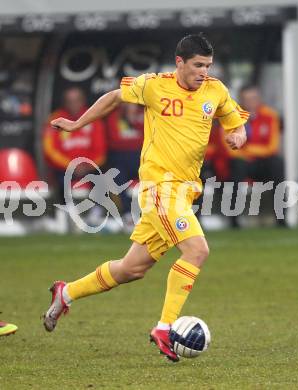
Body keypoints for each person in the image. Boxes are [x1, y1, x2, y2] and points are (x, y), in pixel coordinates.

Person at [43, 33, 248, 362]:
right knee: (197, 250)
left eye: (207, 66)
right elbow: (113, 98)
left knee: (131, 269)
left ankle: (66, 292)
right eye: (197, 65)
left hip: (185, 191)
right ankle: (165, 328)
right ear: (179, 62)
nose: (203, 72)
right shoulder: (154, 85)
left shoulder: (216, 90)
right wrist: (78, 124)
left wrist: (237, 134)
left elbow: (234, 122)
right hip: (158, 188)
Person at [227, 85, 285, 228]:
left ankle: (281, 218)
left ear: (259, 99)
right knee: (237, 165)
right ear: (241, 100)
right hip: (243, 162)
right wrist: (246, 152)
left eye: (254, 98)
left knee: (277, 163)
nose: (251, 102)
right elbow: (230, 147)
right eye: (247, 99)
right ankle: (233, 221)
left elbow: (272, 147)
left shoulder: (270, 115)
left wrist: (248, 149)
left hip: (263, 162)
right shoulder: (233, 116)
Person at [43, 87, 107, 203]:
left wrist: (87, 166)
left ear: (83, 101)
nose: (73, 104)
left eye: (77, 100)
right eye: (69, 101)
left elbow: (101, 150)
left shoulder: (93, 117)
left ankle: (97, 213)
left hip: (89, 167)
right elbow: (50, 150)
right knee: (61, 181)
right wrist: (70, 165)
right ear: (64, 103)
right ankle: (64, 214)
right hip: (64, 167)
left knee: (102, 177)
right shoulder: (55, 119)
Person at [105, 103, 144, 229]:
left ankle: (153, 214)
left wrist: (133, 119)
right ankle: (127, 215)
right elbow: (114, 141)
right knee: (117, 175)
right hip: (120, 158)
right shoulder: (114, 116)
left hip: (143, 157)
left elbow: (150, 137)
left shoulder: (145, 113)